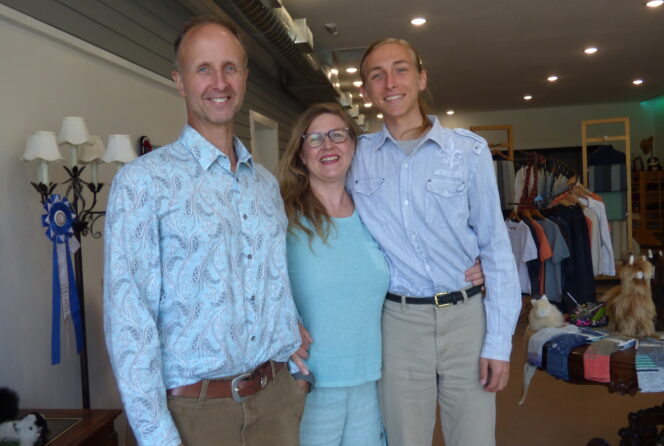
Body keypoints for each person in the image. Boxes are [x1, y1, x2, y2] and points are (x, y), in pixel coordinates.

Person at [103, 16, 308, 446]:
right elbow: (130, 322)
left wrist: (293, 354)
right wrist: (158, 437)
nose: (219, 82)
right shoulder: (144, 183)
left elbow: (274, 282)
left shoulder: (265, 185)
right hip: (196, 415)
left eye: (230, 67)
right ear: (180, 81)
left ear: (245, 78)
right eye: (204, 69)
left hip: (276, 404)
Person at [277, 102, 485, 445]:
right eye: (314, 139)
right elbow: (253, 280)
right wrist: (280, 322)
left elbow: (421, 249)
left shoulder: (372, 211)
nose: (328, 146)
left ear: (353, 145)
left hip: (371, 380)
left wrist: (474, 268)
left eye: (337, 135)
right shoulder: (283, 215)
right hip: (308, 382)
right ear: (300, 153)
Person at [348, 38, 522, 446]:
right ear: (366, 91)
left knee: (474, 439)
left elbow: (496, 247)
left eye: (401, 69)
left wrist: (499, 343)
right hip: (399, 324)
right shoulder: (356, 157)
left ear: (422, 78)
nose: (390, 82)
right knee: (404, 438)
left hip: (467, 319)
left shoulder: (469, 151)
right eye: (377, 75)